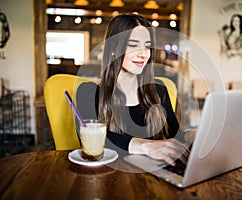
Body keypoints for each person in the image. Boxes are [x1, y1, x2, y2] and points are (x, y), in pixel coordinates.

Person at [76, 14, 189, 166]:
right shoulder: (89, 92)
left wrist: (192, 136)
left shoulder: (160, 90)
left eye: (147, 46)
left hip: (156, 176)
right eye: (133, 45)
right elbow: (93, 142)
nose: (143, 54)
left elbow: (174, 137)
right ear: (114, 48)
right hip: (109, 178)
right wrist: (146, 146)